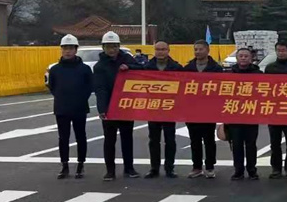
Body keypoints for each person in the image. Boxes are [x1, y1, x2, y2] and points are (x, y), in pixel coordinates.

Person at [93, 31, 141, 182]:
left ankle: (129, 168)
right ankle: (110, 170)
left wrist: (129, 67)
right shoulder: (99, 66)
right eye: (108, 47)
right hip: (110, 107)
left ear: (118, 47)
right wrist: (102, 108)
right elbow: (100, 89)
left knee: (127, 138)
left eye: (114, 47)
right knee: (109, 140)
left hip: (126, 105)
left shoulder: (127, 58)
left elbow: (141, 69)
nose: (112, 50)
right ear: (103, 47)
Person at [46, 34, 93, 179]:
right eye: (65, 48)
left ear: (76, 50)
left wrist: (79, 99)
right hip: (61, 108)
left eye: (71, 48)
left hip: (79, 107)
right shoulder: (55, 69)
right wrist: (62, 98)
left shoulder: (84, 69)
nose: (68, 51)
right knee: (63, 138)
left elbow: (89, 87)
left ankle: (80, 165)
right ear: (61, 50)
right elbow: (52, 87)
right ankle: (64, 165)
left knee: (81, 137)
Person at [143, 41, 183, 179]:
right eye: (158, 49)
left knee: (170, 139)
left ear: (168, 50)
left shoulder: (176, 67)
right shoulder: (147, 67)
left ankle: (169, 168)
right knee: (153, 140)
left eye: (163, 49)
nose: (160, 51)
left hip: (169, 108)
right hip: (153, 108)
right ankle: (154, 168)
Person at [183, 39, 222, 179]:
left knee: (209, 140)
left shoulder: (216, 69)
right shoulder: (188, 68)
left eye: (200, 49)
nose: (198, 52)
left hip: (208, 110)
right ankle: (196, 167)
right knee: (194, 140)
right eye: (196, 49)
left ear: (207, 50)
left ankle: (210, 166)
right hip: (192, 110)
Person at [263, 40, 287, 180]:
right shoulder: (270, 68)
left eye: (283, 50)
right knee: (275, 142)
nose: (281, 52)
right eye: (278, 50)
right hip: (274, 109)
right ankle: (276, 169)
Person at [229, 47, 262, 180]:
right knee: (236, 145)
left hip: (251, 113)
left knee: (251, 145)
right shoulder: (229, 74)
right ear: (237, 58)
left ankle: (252, 170)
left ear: (251, 58)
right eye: (241, 56)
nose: (243, 58)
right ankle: (238, 170)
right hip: (234, 114)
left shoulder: (258, 74)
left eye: (246, 56)